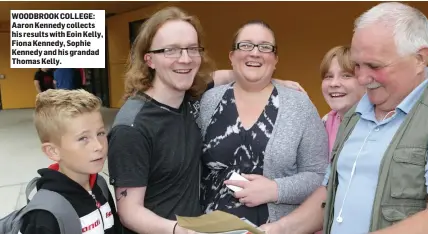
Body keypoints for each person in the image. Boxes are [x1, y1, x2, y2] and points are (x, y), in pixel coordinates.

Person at [261, 2, 428, 234]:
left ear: (420, 58)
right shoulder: (356, 113)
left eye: (374, 66)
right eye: (357, 65)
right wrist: (278, 230)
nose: (362, 78)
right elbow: (330, 195)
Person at [107, 7, 307, 234]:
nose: (185, 59)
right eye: (171, 50)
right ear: (149, 59)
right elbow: (129, 211)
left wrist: (274, 79)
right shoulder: (132, 127)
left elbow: (228, 74)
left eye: (192, 49)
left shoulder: (191, 94)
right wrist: (179, 231)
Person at [197, 20, 329, 227]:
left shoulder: (299, 105)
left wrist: (276, 189)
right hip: (208, 228)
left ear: (275, 59)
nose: (255, 53)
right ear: (232, 56)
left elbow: (320, 175)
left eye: (265, 47)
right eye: (246, 45)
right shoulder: (208, 102)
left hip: (275, 228)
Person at [20, 89, 120, 234]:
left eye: (100, 133)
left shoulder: (100, 185)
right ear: (53, 151)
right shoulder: (45, 214)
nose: (99, 146)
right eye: (83, 138)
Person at [317, 45, 366, 234]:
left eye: (346, 75)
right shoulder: (323, 124)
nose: (334, 83)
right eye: (328, 76)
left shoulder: (379, 125)